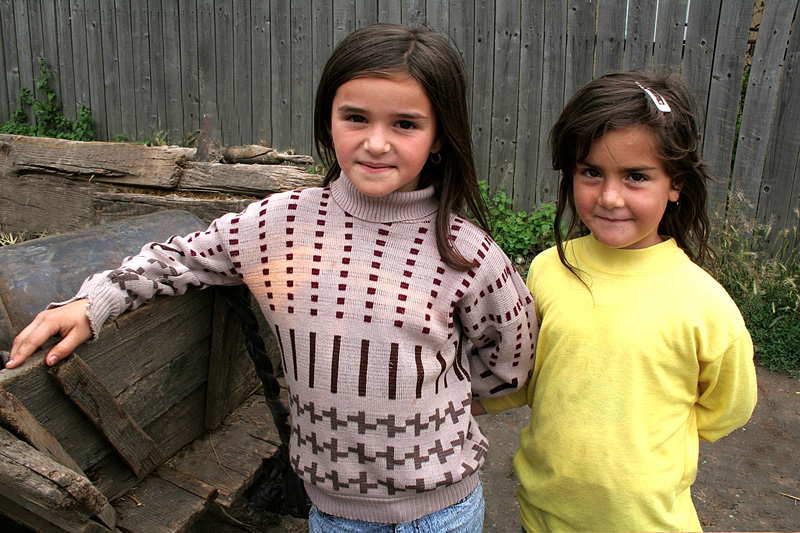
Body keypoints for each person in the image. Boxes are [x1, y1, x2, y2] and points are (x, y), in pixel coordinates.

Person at [6, 24, 537, 532]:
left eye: (405, 123)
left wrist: (426, 409)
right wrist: (94, 301)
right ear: (328, 121)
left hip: (442, 513)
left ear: (440, 136)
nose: (376, 143)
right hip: (331, 512)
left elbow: (507, 360)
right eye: (355, 117)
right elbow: (183, 256)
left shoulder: (467, 252)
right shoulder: (277, 224)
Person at [475, 71, 757, 532]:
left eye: (636, 176)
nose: (609, 197)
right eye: (591, 172)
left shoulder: (706, 305)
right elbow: (527, 375)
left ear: (676, 184)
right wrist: (446, 400)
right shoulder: (549, 269)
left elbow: (728, 408)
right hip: (542, 517)